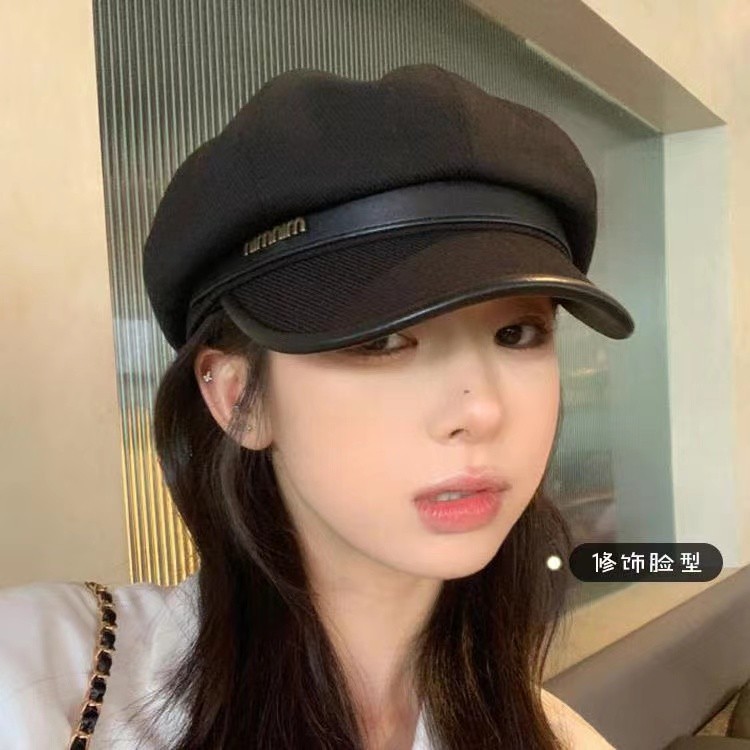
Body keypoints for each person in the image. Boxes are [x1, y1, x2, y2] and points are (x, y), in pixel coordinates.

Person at [0, 64, 633, 749]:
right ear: (238, 398)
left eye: (517, 334)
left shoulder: (559, 739)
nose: (481, 412)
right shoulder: (43, 682)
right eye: (383, 341)